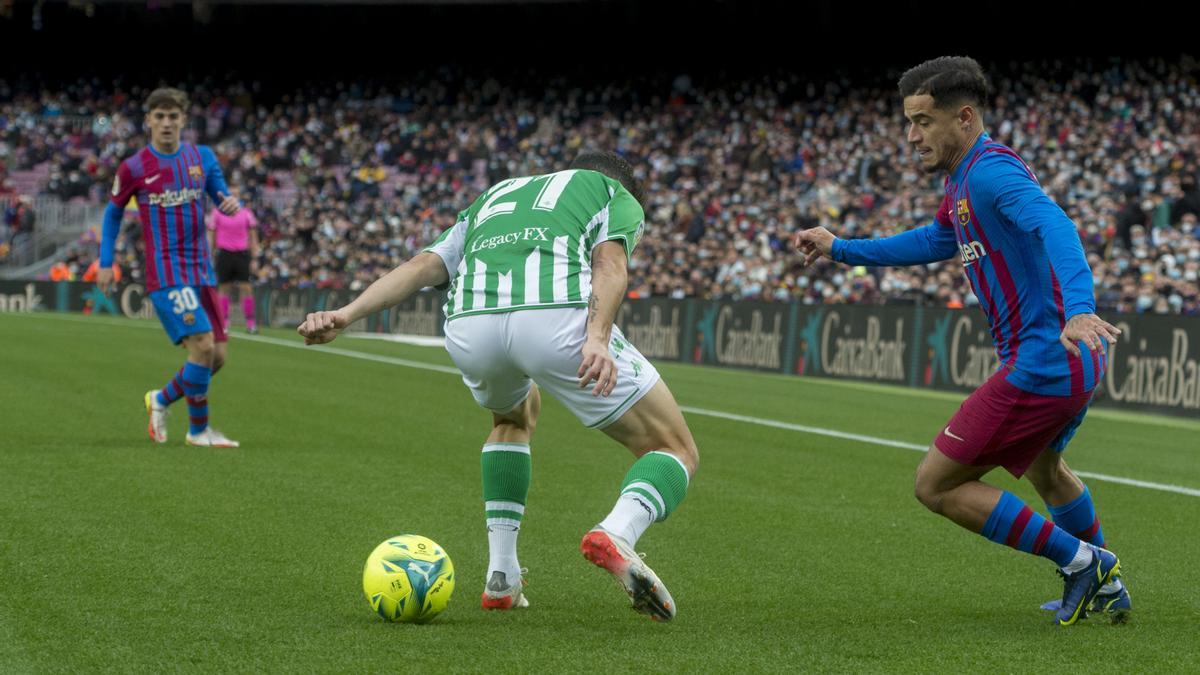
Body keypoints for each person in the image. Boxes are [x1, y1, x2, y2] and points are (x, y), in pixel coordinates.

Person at [794, 56, 1129, 626]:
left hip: (1046, 358)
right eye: (909, 121)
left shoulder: (991, 173)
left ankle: (1083, 563)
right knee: (1047, 469)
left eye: (923, 121)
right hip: (1069, 362)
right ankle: (1109, 588)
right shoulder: (962, 182)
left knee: (936, 484)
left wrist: (1079, 310)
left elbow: (1058, 225)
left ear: (965, 117)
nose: (911, 135)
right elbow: (934, 240)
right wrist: (842, 248)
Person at [298, 151, 699, 621]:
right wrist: (597, 339)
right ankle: (618, 531)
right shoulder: (616, 193)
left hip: (470, 326)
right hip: (554, 317)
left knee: (512, 417)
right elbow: (609, 267)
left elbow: (423, 266)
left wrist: (345, 314)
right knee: (675, 449)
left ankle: (502, 578)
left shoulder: (494, 195)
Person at [97, 87, 242, 448]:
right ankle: (198, 431)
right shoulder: (133, 167)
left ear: (182, 120)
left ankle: (160, 399)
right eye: (159, 116)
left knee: (217, 357)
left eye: (172, 116)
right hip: (166, 272)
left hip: (201, 270)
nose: (165, 123)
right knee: (203, 346)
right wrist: (104, 262)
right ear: (148, 121)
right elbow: (113, 212)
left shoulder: (203, 157)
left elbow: (221, 194)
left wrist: (229, 204)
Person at [207, 186, 260, 333]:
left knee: (246, 288)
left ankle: (250, 323)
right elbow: (211, 234)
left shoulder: (246, 213)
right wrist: (209, 254)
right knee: (224, 288)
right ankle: (223, 322)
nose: (234, 197)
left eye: (236, 194)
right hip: (224, 253)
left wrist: (255, 258)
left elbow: (253, 236)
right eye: (231, 194)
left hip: (242, 254)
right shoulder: (217, 213)